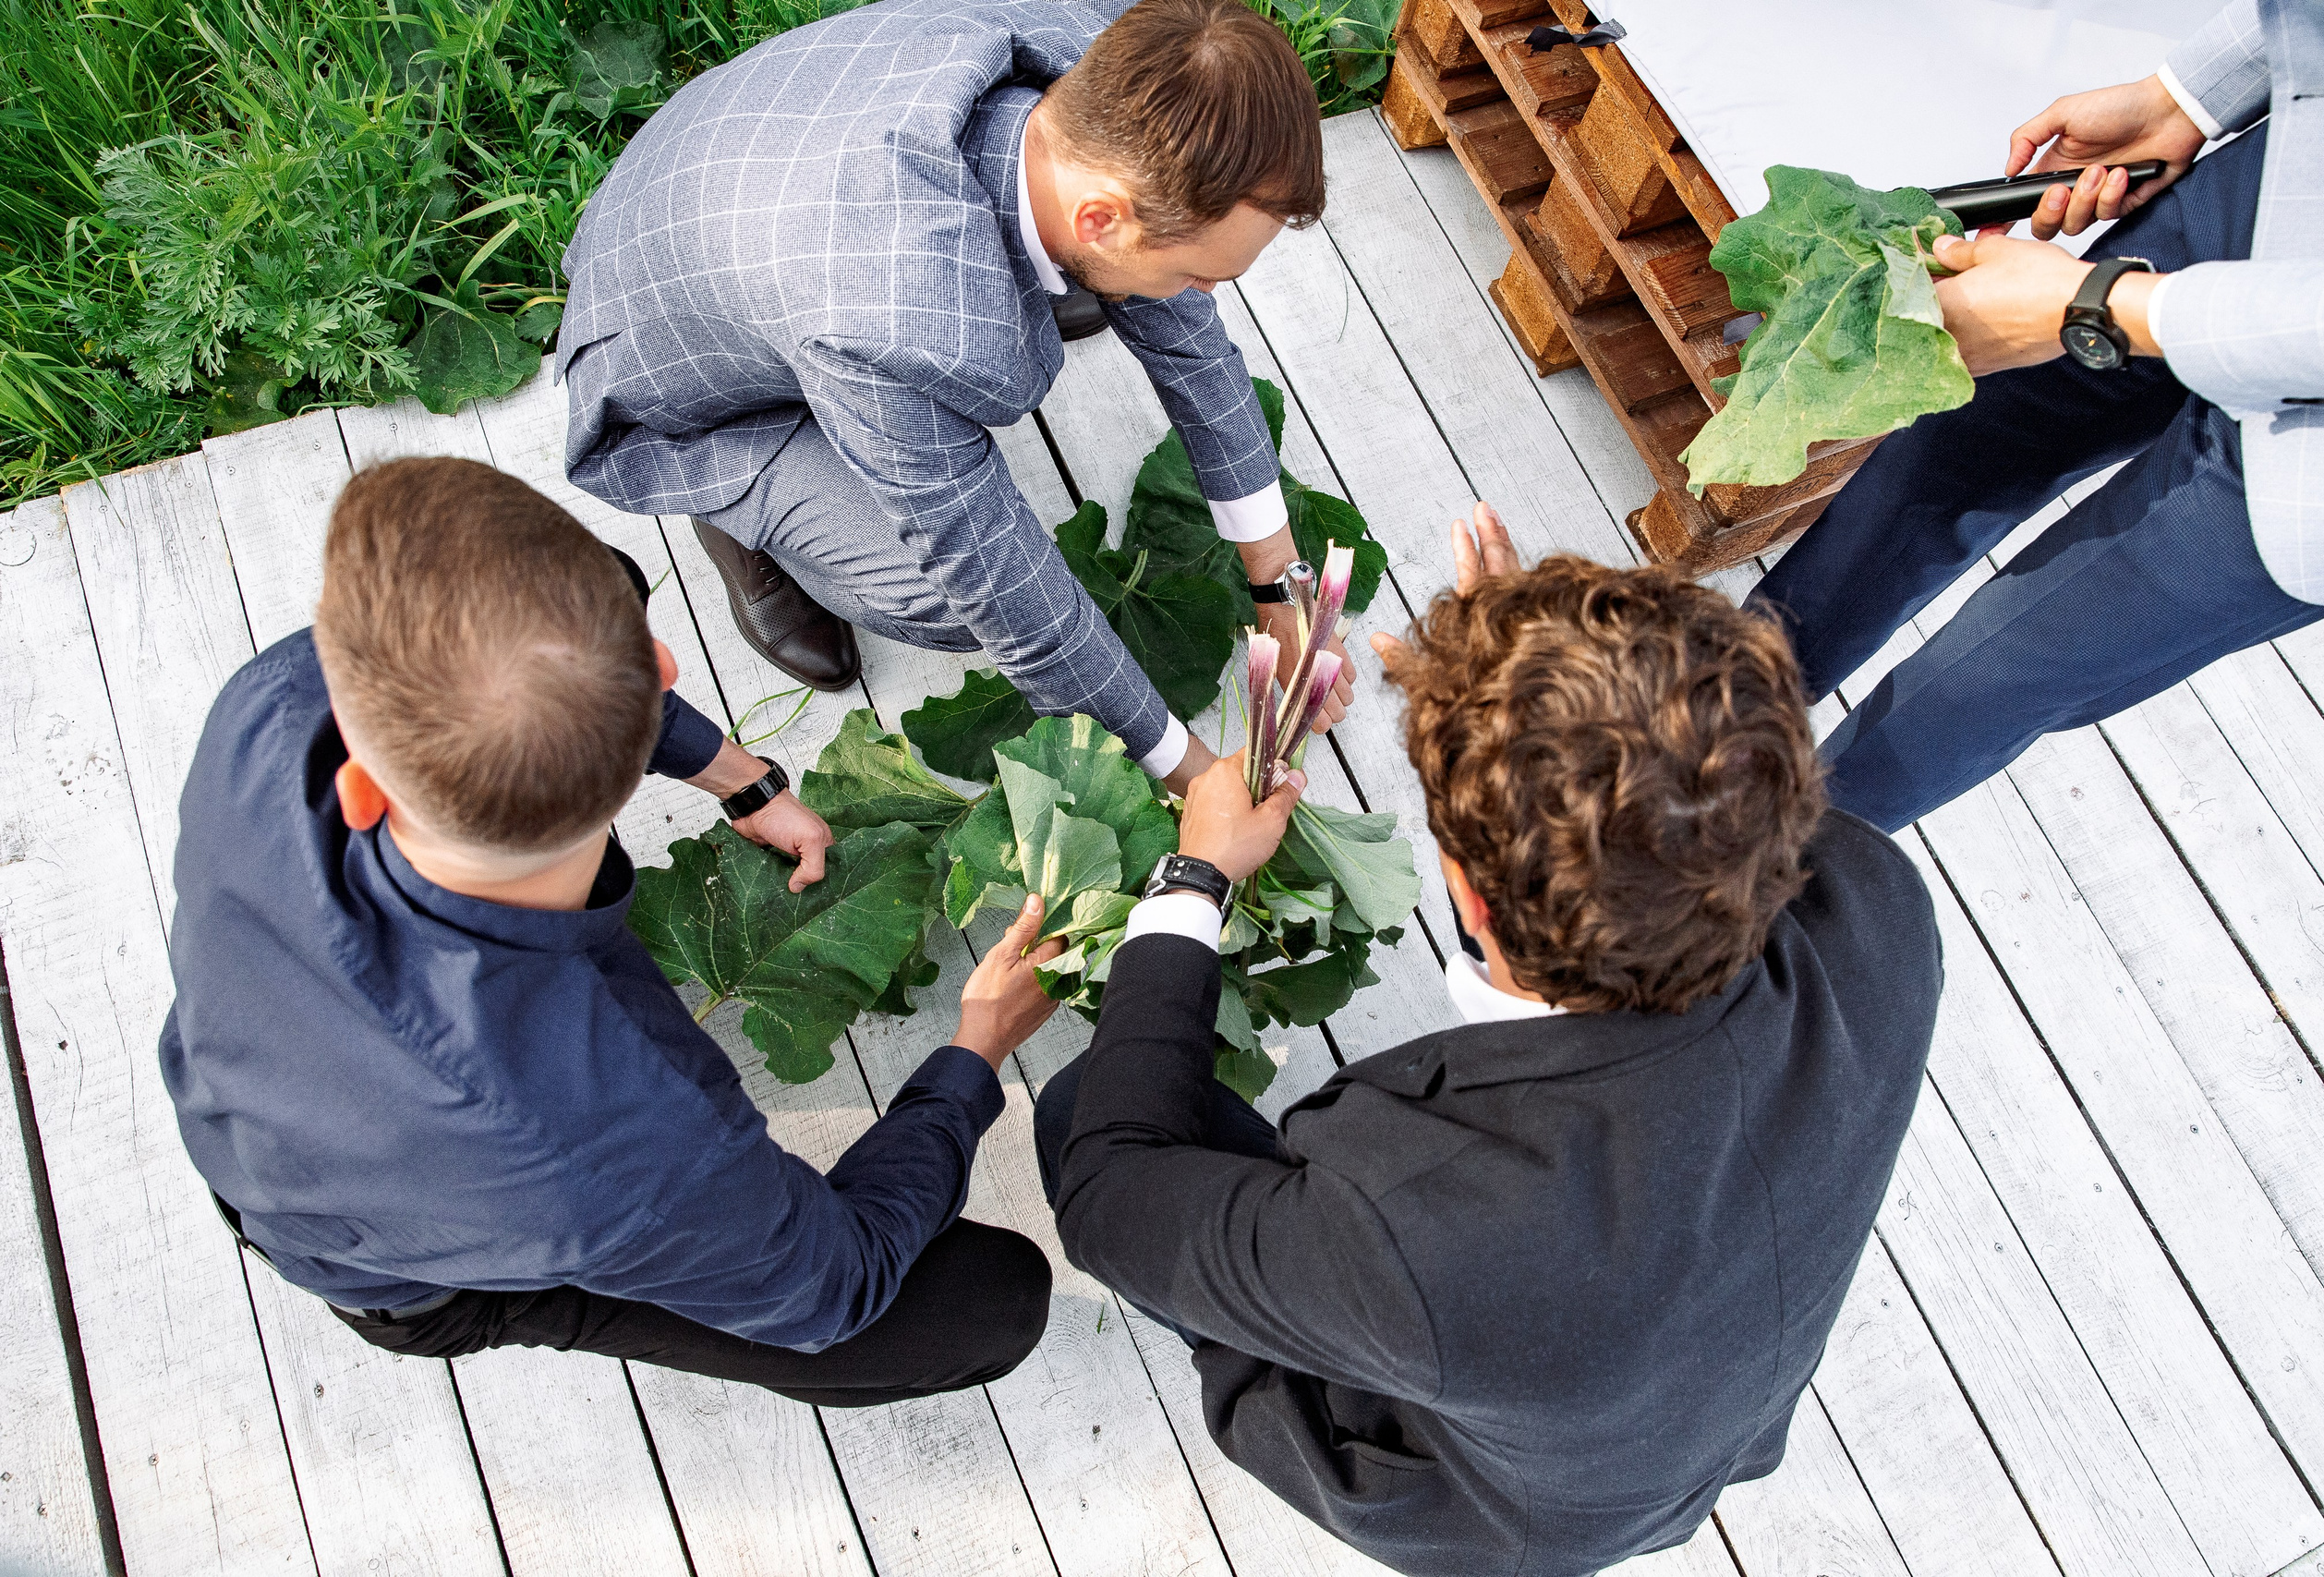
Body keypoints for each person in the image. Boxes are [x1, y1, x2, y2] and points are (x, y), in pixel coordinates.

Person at [1035, 505, 1945, 1575]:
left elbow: (1109, 1200)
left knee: (1076, 1111)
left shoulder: (1410, 1229)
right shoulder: (1877, 898)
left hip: (1496, 1509)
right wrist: (1542, 676)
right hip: (1704, 1415)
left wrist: (1196, 882)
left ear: (1464, 892)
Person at [161, 456, 1066, 1407]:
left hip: (262, 1097)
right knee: (985, 1301)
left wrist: (738, 777)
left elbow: (475, 667)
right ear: (664, 666)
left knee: (573, 594)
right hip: (406, 1273)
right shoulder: (610, 1141)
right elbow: (830, 1290)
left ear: (362, 780)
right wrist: (974, 1053)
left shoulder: (269, 708)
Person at [556, 0, 1354, 794]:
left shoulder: (1128, 59)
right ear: (1100, 217)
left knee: (1132, 289)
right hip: (675, 379)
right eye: (1198, 272)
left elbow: (1194, 346)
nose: (1205, 293)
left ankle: (1058, 264)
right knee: (944, 596)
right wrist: (1190, 770)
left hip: (742, 149)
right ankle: (736, 514)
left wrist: (1281, 586)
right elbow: (1002, 584)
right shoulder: (888, 322)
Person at [1749, 0, 2324, 832]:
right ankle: (1645, 751)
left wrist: (2097, 304)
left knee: (1984, 680)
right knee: (1949, 453)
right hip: (2303, 175)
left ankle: (1704, 912)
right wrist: (2188, 95)